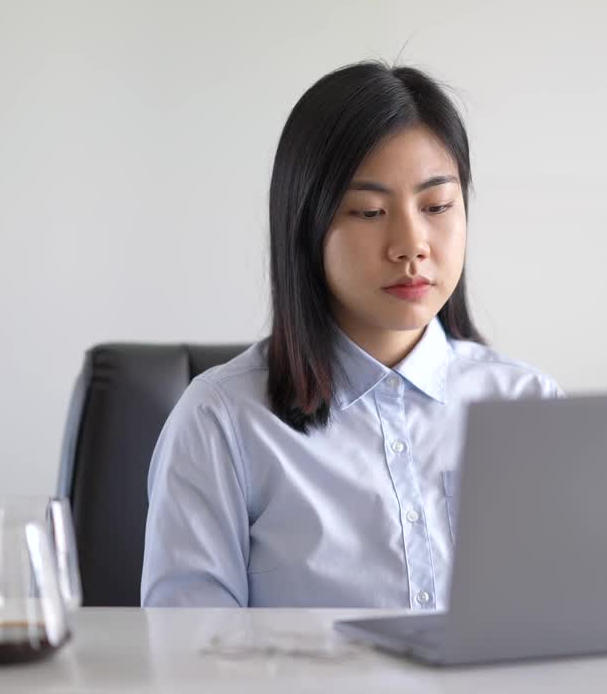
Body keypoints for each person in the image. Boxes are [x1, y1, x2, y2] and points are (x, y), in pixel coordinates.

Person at [141, 61, 562, 609]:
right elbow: (187, 656)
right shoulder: (222, 422)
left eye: (437, 206)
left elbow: (566, 624)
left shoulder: (529, 408)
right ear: (305, 224)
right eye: (369, 211)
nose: (411, 244)